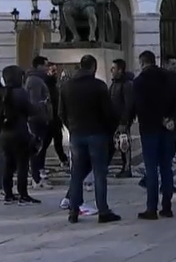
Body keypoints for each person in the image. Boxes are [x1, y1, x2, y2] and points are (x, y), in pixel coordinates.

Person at [59, 54, 120, 223]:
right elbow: (108, 112)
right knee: (99, 174)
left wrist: (71, 128)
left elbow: (61, 112)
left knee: (76, 174)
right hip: (97, 134)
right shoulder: (99, 86)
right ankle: (103, 210)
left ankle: (73, 210)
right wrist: (109, 130)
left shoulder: (66, 86)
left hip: (77, 134)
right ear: (93, 67)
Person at [131, 50, 176, 219]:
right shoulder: (170, 78)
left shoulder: (138, 82)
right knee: (166, 166)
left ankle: (151, 208)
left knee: (151, 169)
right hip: (168, 127)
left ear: (142, 63)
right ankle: (167, 206)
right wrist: (170, 119)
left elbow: (140, 107)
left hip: (149, 129)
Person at [0, 65, 45, 205]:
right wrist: (41, 106)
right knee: (22, 165)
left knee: (8, 164)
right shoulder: (20, 93)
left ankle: (8, 194)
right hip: (19, 132)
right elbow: (30, 109)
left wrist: (0, 127)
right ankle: (23, 194)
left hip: (5, 133)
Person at [25, 56, 53, 189]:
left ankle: (38, 175)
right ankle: (36, 178)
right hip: (37, 120)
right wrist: (44, 107)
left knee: (40, 149)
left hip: (40, 118)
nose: (47, 68)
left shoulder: (39, 79)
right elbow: (35, 102)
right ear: (38, 66)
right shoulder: (35, 81)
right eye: (45, 65)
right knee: (37, 149)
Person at [109, 59, 135, 178]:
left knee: (124, 144)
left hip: (122, 121)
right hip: (113, 120)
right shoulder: (114, 83)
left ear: (120, 70)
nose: (111, 70)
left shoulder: (126, 84)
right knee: (115, 144)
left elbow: (128, 104)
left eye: (113, 68)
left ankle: (127, 167)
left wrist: (124, 121)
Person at [44, 63, 69, 167]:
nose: (56, 73)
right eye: (53, 71)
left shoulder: (55, 85)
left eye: (56, 70)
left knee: (57, 140)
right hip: (50, 118)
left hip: (55, 118)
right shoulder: (47, 85)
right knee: (46, 142)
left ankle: (63, 158)